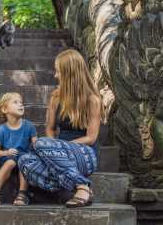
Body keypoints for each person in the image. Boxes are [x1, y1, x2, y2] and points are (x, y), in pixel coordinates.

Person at [18, 49, 101, 208]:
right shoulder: (56, 97)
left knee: (40, 144)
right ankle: (69, 187)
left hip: (84, 153)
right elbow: (50, 129)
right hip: (56, 154)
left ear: (70, 73)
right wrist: (53, 148)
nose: (56, 75)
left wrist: (59, 148)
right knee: (24, 160)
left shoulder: (92, 100)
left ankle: (82, 187)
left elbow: (91, 138)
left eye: (58, 71)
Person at [0, 92, 37, 206]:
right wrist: (6, 152)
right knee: (10, 162)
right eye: (15, 102)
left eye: (21, 102)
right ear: (5, 109)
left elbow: (36, 145)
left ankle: (22, 194)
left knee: (23, 161)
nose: (21, 105)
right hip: (8, 158)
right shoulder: (2, 130)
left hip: (24, 159)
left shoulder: (29, 126)